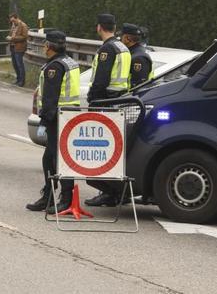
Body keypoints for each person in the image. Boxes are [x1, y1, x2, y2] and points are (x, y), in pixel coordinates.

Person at [26, 30, 80, 214]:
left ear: (48, 46)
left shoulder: (54, 67)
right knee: (57, 157)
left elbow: (50, 98)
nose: (43, 47)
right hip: (69, 115)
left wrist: (44, 121)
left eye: (44, 44)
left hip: (57, 118)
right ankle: (51, 195)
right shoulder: (70, 62)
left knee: (55, 158)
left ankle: (63, 198)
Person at [85, 13, 132, 207]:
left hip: (106, 101)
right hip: (121, 100)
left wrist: (92, 100)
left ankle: (108, 192)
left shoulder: (107, 49)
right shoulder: (123, 47)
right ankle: (118, 192)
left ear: (99, 27)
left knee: (103, 148)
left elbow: (101, 79)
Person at [121, 23, 153, 88]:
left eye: (122, 36)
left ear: (127, 38)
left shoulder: (139, 58)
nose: (120, 39)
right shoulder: (133, 52)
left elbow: (138, 86)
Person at [6, 13, 29, 87]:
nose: (13, 22)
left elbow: (24, 37)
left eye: (13, 20)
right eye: (11, 21)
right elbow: (11, 34)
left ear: (17, 18)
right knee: (15, 64)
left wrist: (13, 38)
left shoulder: (23, 25)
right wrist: (9, 37)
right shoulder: (13, 26)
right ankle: (18, 78)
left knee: (19, 64)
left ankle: (22, 81)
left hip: (19, 47)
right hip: (13, 47)